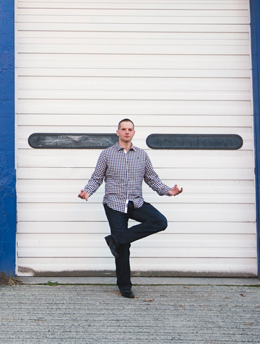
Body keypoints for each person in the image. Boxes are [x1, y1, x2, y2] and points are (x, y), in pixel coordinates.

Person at [78, 119, 183, 299]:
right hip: (114, 204)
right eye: (123, 129)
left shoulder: (141, 155)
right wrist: (88, 191)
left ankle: (115, 239)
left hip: (136, 203)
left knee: (160, 221)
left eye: (130, 129)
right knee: (123, 248)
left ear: (134, 133)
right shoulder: (107, 154)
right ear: (117, 132)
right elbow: (97, 178)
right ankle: (125, 286)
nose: (127, 132)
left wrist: (168, 191)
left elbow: (152, 179)